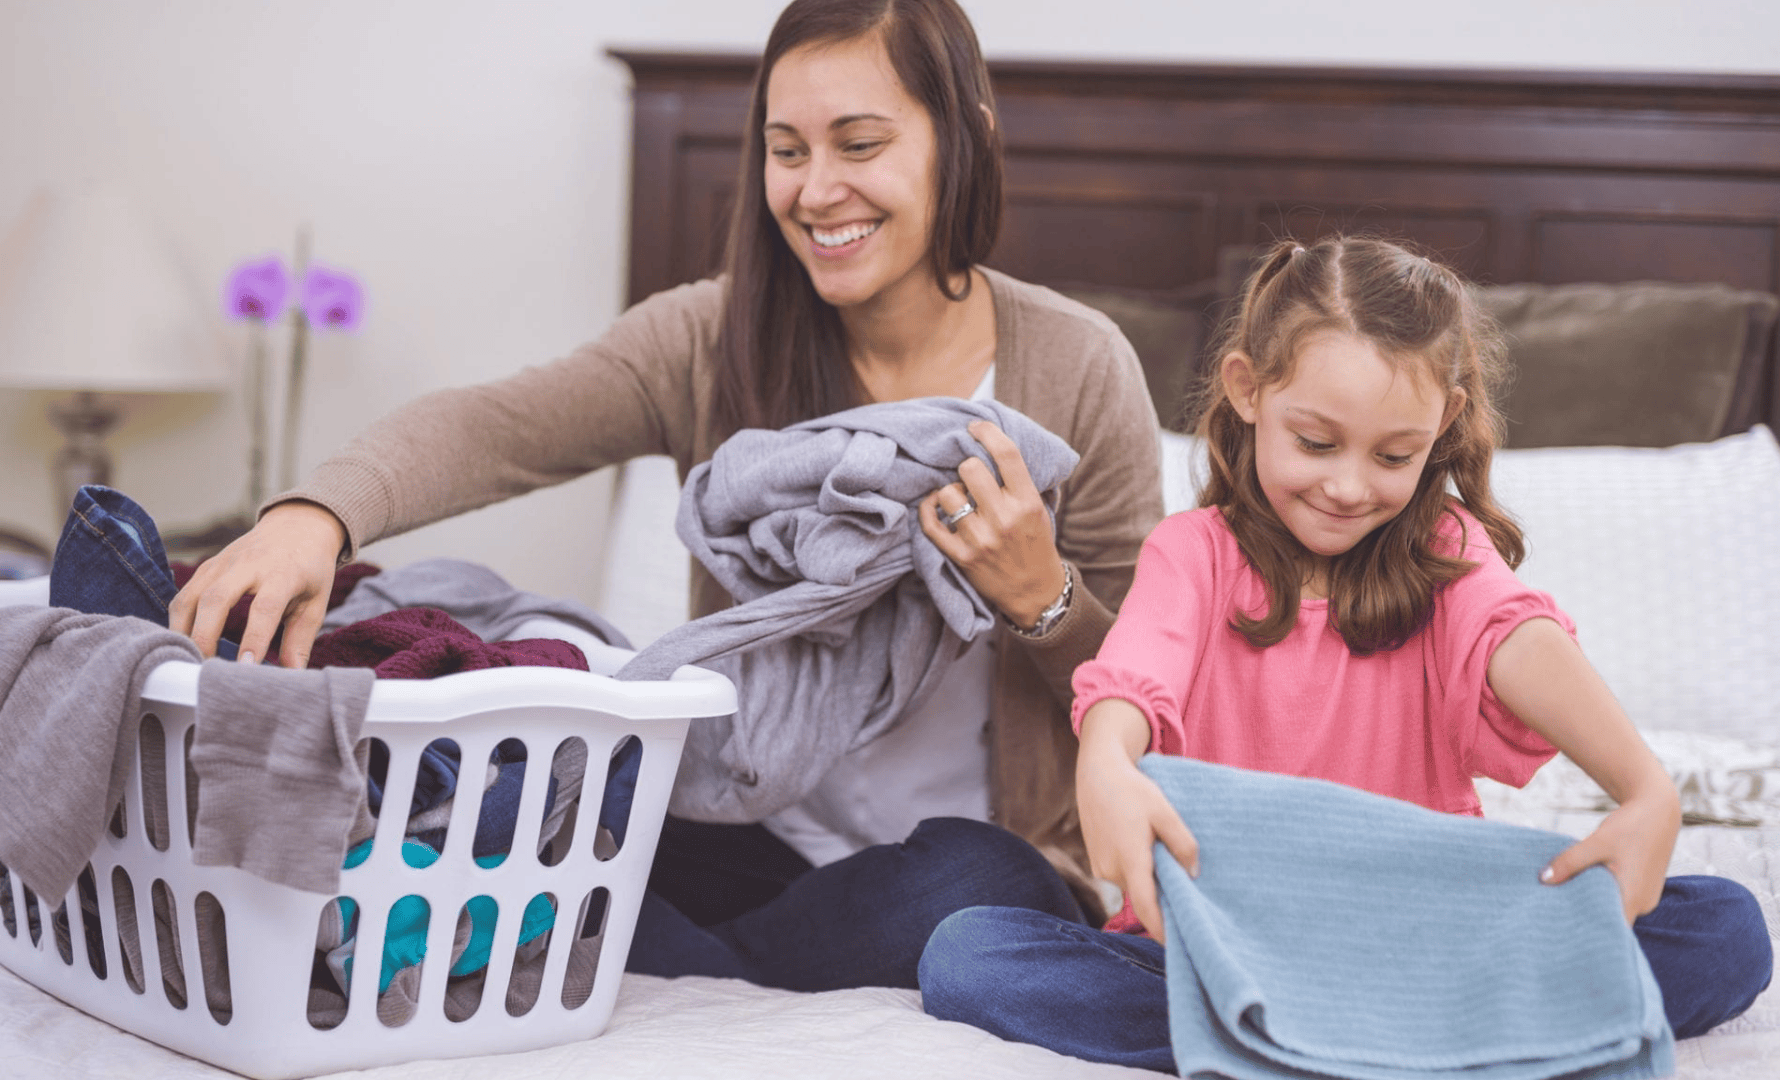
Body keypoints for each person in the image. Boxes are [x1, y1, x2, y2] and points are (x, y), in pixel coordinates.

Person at [169, 0, 1163, 990]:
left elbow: (1156, 696)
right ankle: (681, 953)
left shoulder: (1078, 367)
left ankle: (616, 950)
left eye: (858, 144)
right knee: (555, 799)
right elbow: (499, 426)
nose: (818, 191)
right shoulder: (709, 339)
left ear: (967, 140)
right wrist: (315, 515)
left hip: (962, 862)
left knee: (971, 888)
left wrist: (1042, 600)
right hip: (745, 830)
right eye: (786, 150)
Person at [916, 236, 1774, 1071]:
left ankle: (1292, 1037)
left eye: (1394, 455)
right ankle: (1415, 1036)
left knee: (1725, 929)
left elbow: (1512, 635)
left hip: (1421, 938)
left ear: (1441, 428)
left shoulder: (1445, 548)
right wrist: (1107, 759)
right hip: (1223, 942)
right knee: (970, 953)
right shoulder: (1196, 552)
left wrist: (1646, 788)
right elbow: (1135, 676)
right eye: (1317, 443)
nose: (1349, 486)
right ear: (1247, 391)